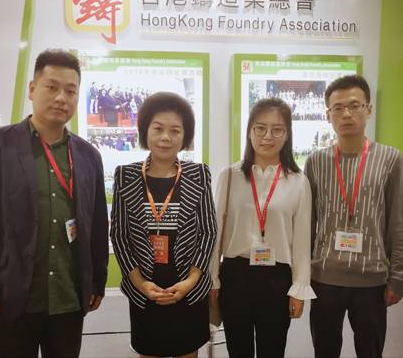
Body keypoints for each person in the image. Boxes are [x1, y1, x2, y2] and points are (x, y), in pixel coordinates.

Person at [0, 49, 109, 358]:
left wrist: (97, 281)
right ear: (32, 89)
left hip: (68, 298)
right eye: (51, 87)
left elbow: (97, 224)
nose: (61, 98)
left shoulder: (88, 155)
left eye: (70, 91)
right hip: (11, 297)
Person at [110, 92, 217, 358]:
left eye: (175, 130)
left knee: (187, 353)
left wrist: (191, 281)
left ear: (185, 135)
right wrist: (140, 283)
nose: (165, 137)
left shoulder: (198, 174)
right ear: (145, 131)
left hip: (189, 290)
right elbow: (120, 235)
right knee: (149, 352)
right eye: (158, 128)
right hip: (145, 291)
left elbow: (208, 231)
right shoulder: (125, 176)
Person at [304, 75, 403, 358]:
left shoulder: (391, 159)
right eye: (338, 108)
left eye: (355, 105)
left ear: (368, 110)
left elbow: (397, 221)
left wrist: (397, 277)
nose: (346, 114)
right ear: (328, 115)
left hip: (371, 280)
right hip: (325, 278)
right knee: (325, 351)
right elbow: (308, 224)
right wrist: (302, 275)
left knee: (370, 351)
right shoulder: (316, 161)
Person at [209, 98, 315, 358]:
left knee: (273, 349)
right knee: (238, 350)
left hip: (277, 278)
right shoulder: (230, 176)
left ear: (287, 135)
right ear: (249, 131)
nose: (268, 136)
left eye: (277, 129)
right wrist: (213, 280)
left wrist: (299, 288)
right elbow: (215, 233)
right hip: (235, 274)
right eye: (260, 128)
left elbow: (302, 241)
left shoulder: (298, 181)